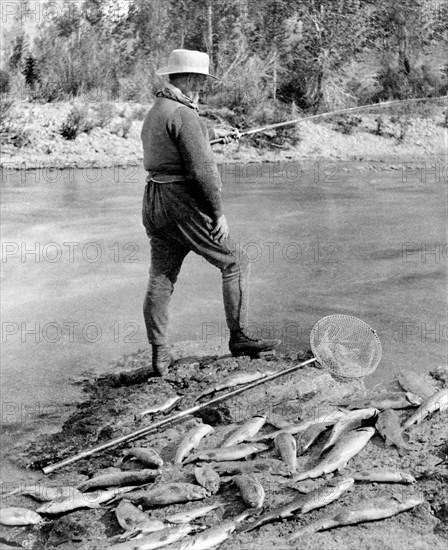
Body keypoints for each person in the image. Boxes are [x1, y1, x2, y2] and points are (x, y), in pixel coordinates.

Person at [141, 49, 280, 376]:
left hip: (153, 201)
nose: (202, 86)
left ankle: (160, 356)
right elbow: (204, 173)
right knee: (235, 260)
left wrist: (213, 136)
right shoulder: (185, 115)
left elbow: (173, 146)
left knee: (161, 278)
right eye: (200, 80)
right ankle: (240, 338)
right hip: (182, 202)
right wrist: (217, 213)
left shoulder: (157, 111)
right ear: (189, 78)